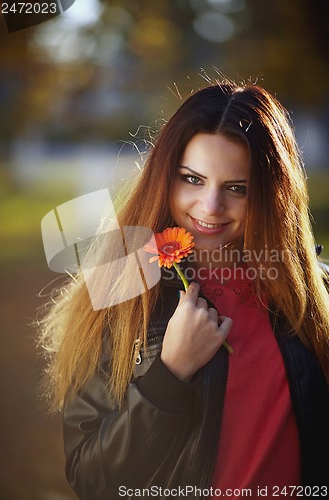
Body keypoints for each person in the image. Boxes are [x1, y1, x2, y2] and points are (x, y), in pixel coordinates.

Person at [37, 79, 329, 500]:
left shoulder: (313, 295)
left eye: (237, 188)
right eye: (192, 179)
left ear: (272, 194)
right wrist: (170, 374)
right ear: (164, 177)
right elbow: (93, 479)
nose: (210, 207)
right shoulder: (121, 291)